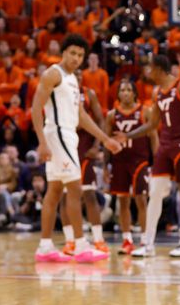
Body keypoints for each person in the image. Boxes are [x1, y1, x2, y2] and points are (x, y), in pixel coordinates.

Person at [31, 34, 122, 263]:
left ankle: (44, 246)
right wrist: (41, 141)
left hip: (68, 134)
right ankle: (81, 245)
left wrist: (105, 139)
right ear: (63, 52)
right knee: (74, 188)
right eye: (73, 53)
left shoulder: (73, 79)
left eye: (80, 55)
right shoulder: (53, 74)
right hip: (58, 133)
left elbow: (81, 116)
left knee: (53, 192)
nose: (76, 58)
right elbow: (35, 107)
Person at [119, 55, 180, 259]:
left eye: (150, 69)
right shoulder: (157, 92)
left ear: (158, 69)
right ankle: (147, 244)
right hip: (165, 146)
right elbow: (152, 124)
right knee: (155, 192)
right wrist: (127, 136)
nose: (147, 74)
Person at [60, 74, 110, 257]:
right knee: (64, 197)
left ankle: (98, 240)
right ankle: (70, 241)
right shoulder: (59, 93)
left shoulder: (89, 94)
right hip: (65, 148)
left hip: (85, 150)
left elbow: (100, 120)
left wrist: (97, 146)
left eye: (79, 75)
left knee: (89, 195)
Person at [107, 80, 157, 255]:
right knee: (122, 201)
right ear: (118, 94)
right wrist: (107, 166)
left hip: (140, 160)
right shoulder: (112, 115)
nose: (126, 93)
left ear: (135, 93)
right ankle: (127, 239)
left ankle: (145, 239)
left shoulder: (145, 111)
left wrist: (156, 160)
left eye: (129, 89)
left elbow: (153, 137)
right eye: (123, 90)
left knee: (141, 199)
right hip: (119, 161)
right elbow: (107, 140)